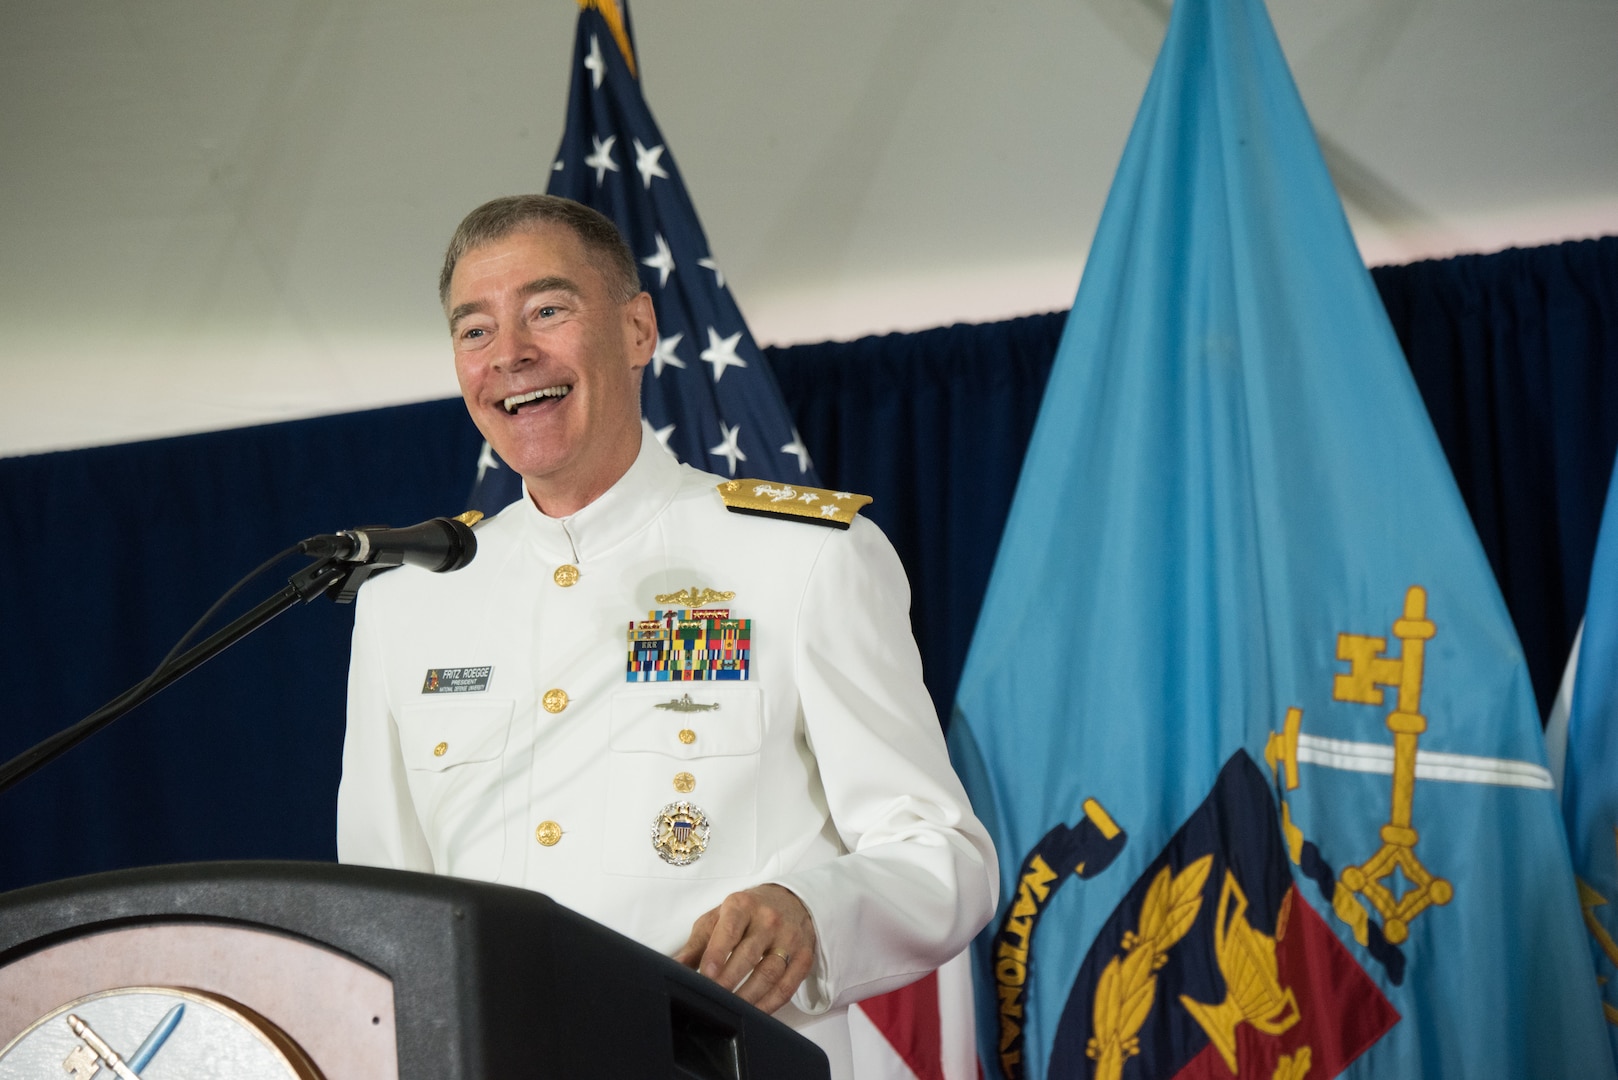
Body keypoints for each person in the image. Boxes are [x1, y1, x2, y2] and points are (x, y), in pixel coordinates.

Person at [336, 194, 998, 1077]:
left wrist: (811, 909)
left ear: (638, 329)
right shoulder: (409, 603)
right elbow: (385, 912)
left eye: (547, 310)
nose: (511, 356)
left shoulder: (800, 561)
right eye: (474, 331)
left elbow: (940, 854)